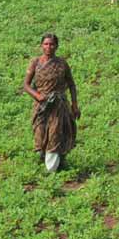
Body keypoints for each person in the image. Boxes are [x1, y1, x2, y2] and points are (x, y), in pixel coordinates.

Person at [22, 34, 79, 172]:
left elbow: (71, 84)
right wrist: (37, 95)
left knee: (55, 133)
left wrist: (74, 105)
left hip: (58, 105)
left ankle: (53, 168)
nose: (49, 47)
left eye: (52, 44)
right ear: (41, 45)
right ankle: (43, 159)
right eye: (46, 44)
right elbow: (26, 85)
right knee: (40, 133)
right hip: (41, 105)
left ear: (57, 46)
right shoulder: (35, 62)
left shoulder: (62, 63)